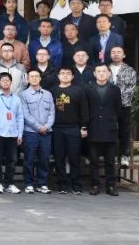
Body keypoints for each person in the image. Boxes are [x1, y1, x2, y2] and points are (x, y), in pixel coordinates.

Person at [85, 64, 120, 196]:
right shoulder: (88, 88)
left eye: (104, 71)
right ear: (94, 74)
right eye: (98, 71)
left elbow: (118, 109)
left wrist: (113, 120)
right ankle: (95, 185)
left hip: (110, 128)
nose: (101, 73)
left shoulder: (115, 89)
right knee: (94, 160)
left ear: (109, 73)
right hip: (93, 127)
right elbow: (85, 108)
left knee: (110, 160)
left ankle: (110, 186)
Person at [51, 67, 88, 195]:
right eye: (62, 73)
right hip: (57, 128)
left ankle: (76, 185)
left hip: (73, 128)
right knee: (59, 158)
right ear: (58, 76)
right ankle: (62, 184)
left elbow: (84, 109)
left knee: (74, 158)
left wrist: (84, 126)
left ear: (72, 76)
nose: (65, 75)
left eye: (68, 73)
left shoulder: (78, 90)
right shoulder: (52, 91)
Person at [20, 69, 55, 194]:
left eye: (36, 76)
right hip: (31, 132)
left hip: (46, 132)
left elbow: (52, 112)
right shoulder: (23, 95)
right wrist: (38, 127)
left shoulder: (48, 94)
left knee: (44, 159)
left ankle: (42, 183)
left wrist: (47, 126)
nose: (34, 78)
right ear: (28, 79)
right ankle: (28, 183)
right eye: (32, 76)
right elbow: (25, 114)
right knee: (29, 159)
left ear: (40, 78)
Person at [0, 72, 24, 194]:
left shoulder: (17, 99)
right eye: (2, 80)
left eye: (7, 80)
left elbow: (20, 117)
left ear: (11, 82)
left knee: (12, 161)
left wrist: (20, 134)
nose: (5, 82)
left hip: (13, 134)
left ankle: (9, 183)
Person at [108, 47, 137, 167]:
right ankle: (110, 155)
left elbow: (132, 88)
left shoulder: (130, 70)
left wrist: (119, 100)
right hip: (107, 106)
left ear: (124, 55)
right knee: (108, 130)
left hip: (124, 105)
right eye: (113, 52)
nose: (116, 54)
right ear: (110, 55)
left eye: (119, 52)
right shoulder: (105, 69)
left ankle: (124, 156)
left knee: (124, 131)